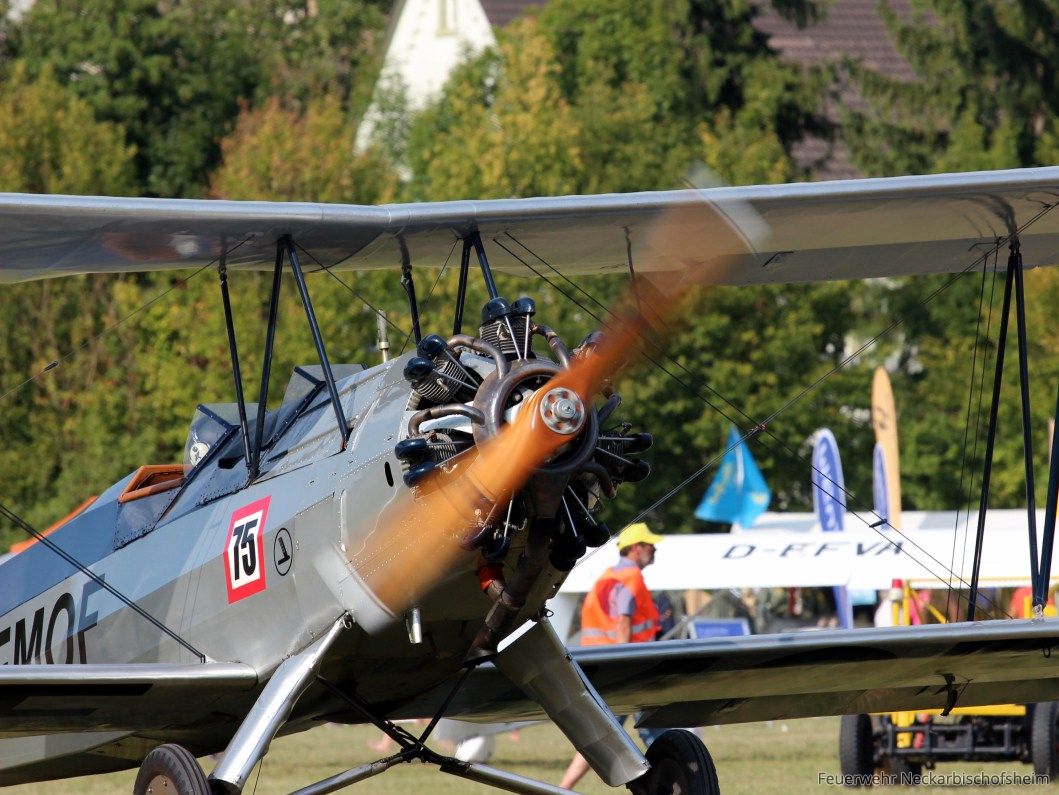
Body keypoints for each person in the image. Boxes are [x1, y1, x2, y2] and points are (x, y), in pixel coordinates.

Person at [559, 522, 664, 790]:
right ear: (636, 548)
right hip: (626, 669)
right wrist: (623, 662)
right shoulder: (631, 578)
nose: (654, 550)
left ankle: (563, 789)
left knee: (603, 736)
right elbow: (622, 621)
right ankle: (671, 779)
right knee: (651, 728)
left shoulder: (607, 575)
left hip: (598, 665)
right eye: (650, 546)